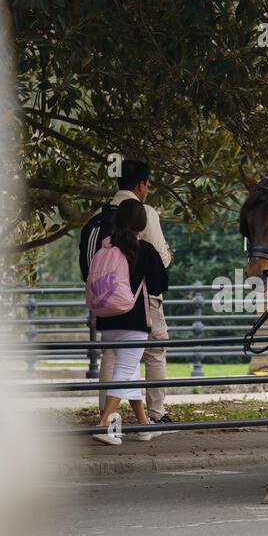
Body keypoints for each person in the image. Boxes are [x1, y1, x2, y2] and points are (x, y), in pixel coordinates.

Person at [81, 160, 175, 424]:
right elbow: (160, 261)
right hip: (141, 301)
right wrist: (168, 256)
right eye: (147, 184)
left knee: (113, 354)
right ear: (141, 185)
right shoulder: (145, 213)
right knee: (154, 350)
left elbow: (87, 264)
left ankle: (109, 414)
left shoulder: (96, 218)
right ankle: (154, 413)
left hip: (104, 301)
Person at [91, 200, 169, 445]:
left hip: (107, 319)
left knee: (130, 370)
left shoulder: (105, 247)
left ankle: (144, 425)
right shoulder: (143, 249)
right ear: (142, 223)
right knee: (125, 371)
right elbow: (159, 285)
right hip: (133, 320)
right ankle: (104, 424)